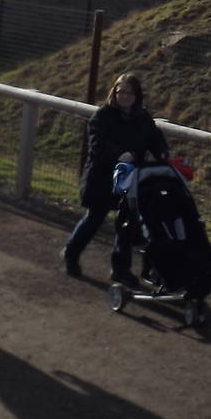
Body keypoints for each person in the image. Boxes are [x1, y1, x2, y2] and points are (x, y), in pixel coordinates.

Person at [61, 72, 168, 284]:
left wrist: (163, 153)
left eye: (130, 92)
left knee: (126, 224)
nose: (126, 96)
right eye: (122, 92)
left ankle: (120, 269)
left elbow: (155, 139)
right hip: (102, 176)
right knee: (94, 218)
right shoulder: (102, 116)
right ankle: (71, 253)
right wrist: (119, 155)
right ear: (114, 93)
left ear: (137, 95)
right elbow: (97, 144)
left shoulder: (143, 117)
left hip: (129, 176)